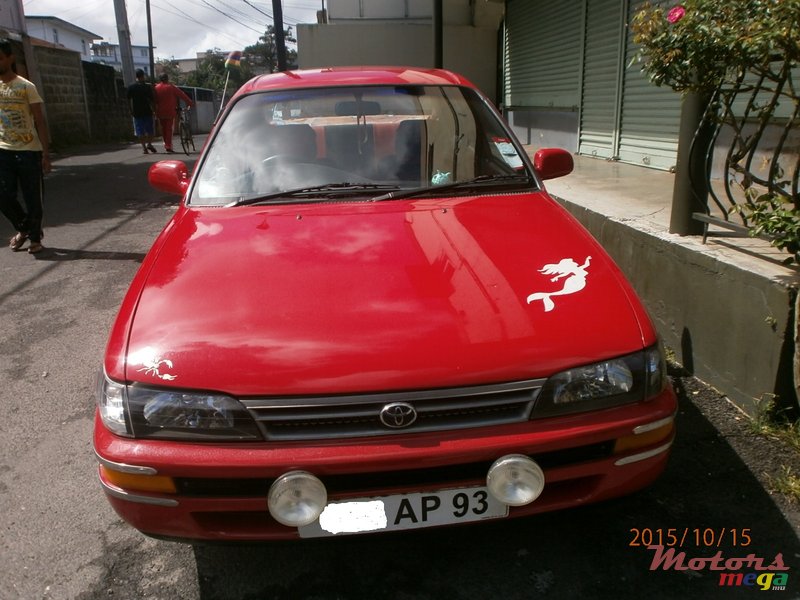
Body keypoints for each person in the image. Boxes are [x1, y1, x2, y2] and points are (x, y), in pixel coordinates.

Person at [0, 39, 51, 255]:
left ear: (10, 58)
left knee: (33, 198)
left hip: (29, 151)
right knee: (3, 195)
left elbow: (40, 120)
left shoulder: (26, 87)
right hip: (3, 150)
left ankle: (34, 237)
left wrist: (45, 154)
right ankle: (24, 228)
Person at [154, 73, 193, 153]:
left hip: (160, 111)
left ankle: (166, 144)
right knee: (169, 129)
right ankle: (168, 145)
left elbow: (154, 100)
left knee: (163, 128)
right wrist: (190, 103)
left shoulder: (156, 88)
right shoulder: (171, 87)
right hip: (170, 111)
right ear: (167, 79)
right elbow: (182, 95)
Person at [127, 69, 156, 154]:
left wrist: (130, 110)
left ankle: (144, 148)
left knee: (140, 131)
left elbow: (128, 100)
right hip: (147, 111)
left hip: (137, 112)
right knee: (150, 131)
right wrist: (154, 110)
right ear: (143, 76)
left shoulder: (131, 87)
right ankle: (149, 144)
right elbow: (152, 100)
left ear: (136, 76)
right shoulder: (147, 87)